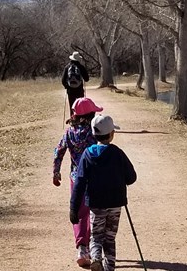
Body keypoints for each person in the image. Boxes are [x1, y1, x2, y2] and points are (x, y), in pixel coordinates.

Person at [70, 114, 137, 271]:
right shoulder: (118, 153)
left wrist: (73, 208)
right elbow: (132, 177)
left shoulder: (87, 154)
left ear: (94, 135)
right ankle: (109, 268)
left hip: (96, 204)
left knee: (96, 236)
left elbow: (79, 183)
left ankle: (97, 259)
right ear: (112, 134)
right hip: (115, 204)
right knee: (110, 237)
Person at [53, 97, 103, 268]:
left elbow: (58, 151)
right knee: (95, 211)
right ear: (90, 115)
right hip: (95, 177)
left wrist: (56, 171)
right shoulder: (93, 132)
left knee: (80, 213)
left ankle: (82, 248)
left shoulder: (69, 133)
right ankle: (96, 249)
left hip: (76, 178)